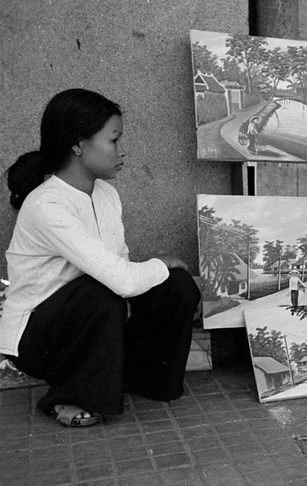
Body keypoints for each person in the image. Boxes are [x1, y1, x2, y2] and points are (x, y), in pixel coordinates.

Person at [1, 89, 201, 428]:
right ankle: (70, 395)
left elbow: (120, 266)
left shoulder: (107, 194)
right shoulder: (47, 205)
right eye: (113, 141)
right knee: (101, 290)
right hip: (37, 339)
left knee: (177, 286)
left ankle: (146, 380)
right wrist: (158, 263)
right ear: (78, 145)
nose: (121, 152)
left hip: (93, 320)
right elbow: (120, 280)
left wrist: (161, 273)